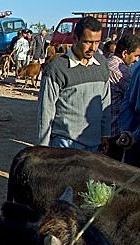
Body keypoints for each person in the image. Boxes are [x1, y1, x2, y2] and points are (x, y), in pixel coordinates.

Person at [37, 16, 110, 152]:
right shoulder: (57, 68)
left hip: (94, 144)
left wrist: (105, 134)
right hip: (65, 143)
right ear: (75, 39)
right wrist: (43, 149)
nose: (93, 48)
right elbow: (46, 111)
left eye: (97, 42)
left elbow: (105, 103)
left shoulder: (102, 65)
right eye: (88, 42)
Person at [107, 34, 140, 160]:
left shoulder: (108, 62)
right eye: (136, 55)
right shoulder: (121, 72)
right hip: (115, 128)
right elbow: (131, 98)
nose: (136, 60)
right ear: (125, 53)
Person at [117, 52, 140, 166]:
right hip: (133, 136)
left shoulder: (136, 67)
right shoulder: (137, 68)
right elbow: (128, 100)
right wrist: (127, 132)